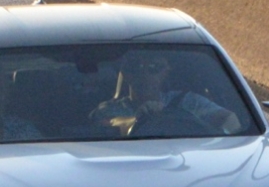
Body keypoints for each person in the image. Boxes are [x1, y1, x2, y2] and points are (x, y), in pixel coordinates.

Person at [89, 51, 241, 138]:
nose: (145, 74)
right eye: (136, 67)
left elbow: (230, 120)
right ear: (126, 73)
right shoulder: (108, 110)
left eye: (154, 67)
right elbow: (109, 123)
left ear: (166, 72)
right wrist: (136, 120)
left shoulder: (190, 102)